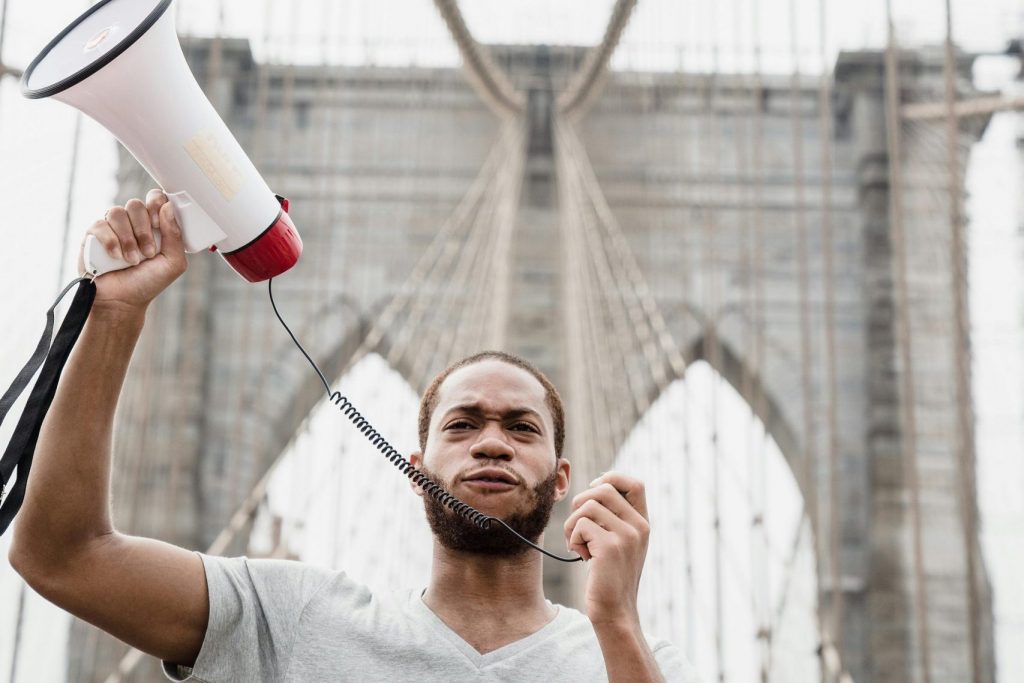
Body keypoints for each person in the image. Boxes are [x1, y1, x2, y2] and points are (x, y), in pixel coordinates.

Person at [8, 190, 699, 682]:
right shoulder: (294, 616)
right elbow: (62, 556)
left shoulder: (640, 659)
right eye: (463, 423)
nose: (492, 442)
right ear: (414, 465)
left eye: (522, 427)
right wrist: (116, 314)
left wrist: (614, 622)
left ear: (561, 477)